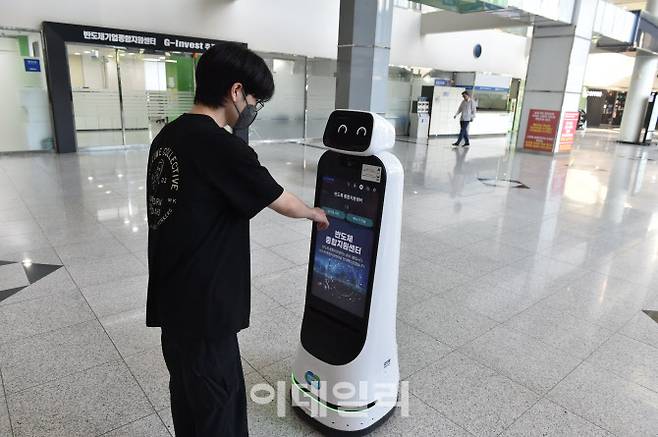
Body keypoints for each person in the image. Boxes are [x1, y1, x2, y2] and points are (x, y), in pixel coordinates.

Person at [145, 42, 329, 437]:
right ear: (235, 92)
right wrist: (314, 212)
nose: (253, 108)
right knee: (219, 410)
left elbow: (208, 191)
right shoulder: (220, 146)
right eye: (254, 99)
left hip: (173, 302)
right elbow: (279, 199)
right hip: (205, 310)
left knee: (188, 399)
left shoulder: (168, 136)